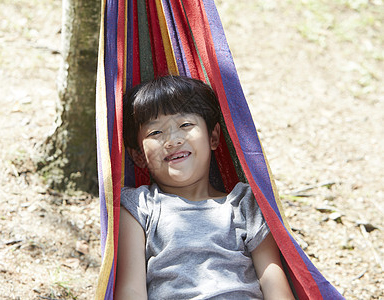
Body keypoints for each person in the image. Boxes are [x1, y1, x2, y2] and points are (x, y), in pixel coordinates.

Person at [115, 75, 294, 299]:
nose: (173, 140)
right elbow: (130, 289)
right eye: (155, 132)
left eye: (185, 125)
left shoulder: (245, 204)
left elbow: (275, 285)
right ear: (138, 156)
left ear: (213, 136)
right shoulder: (139, 207)